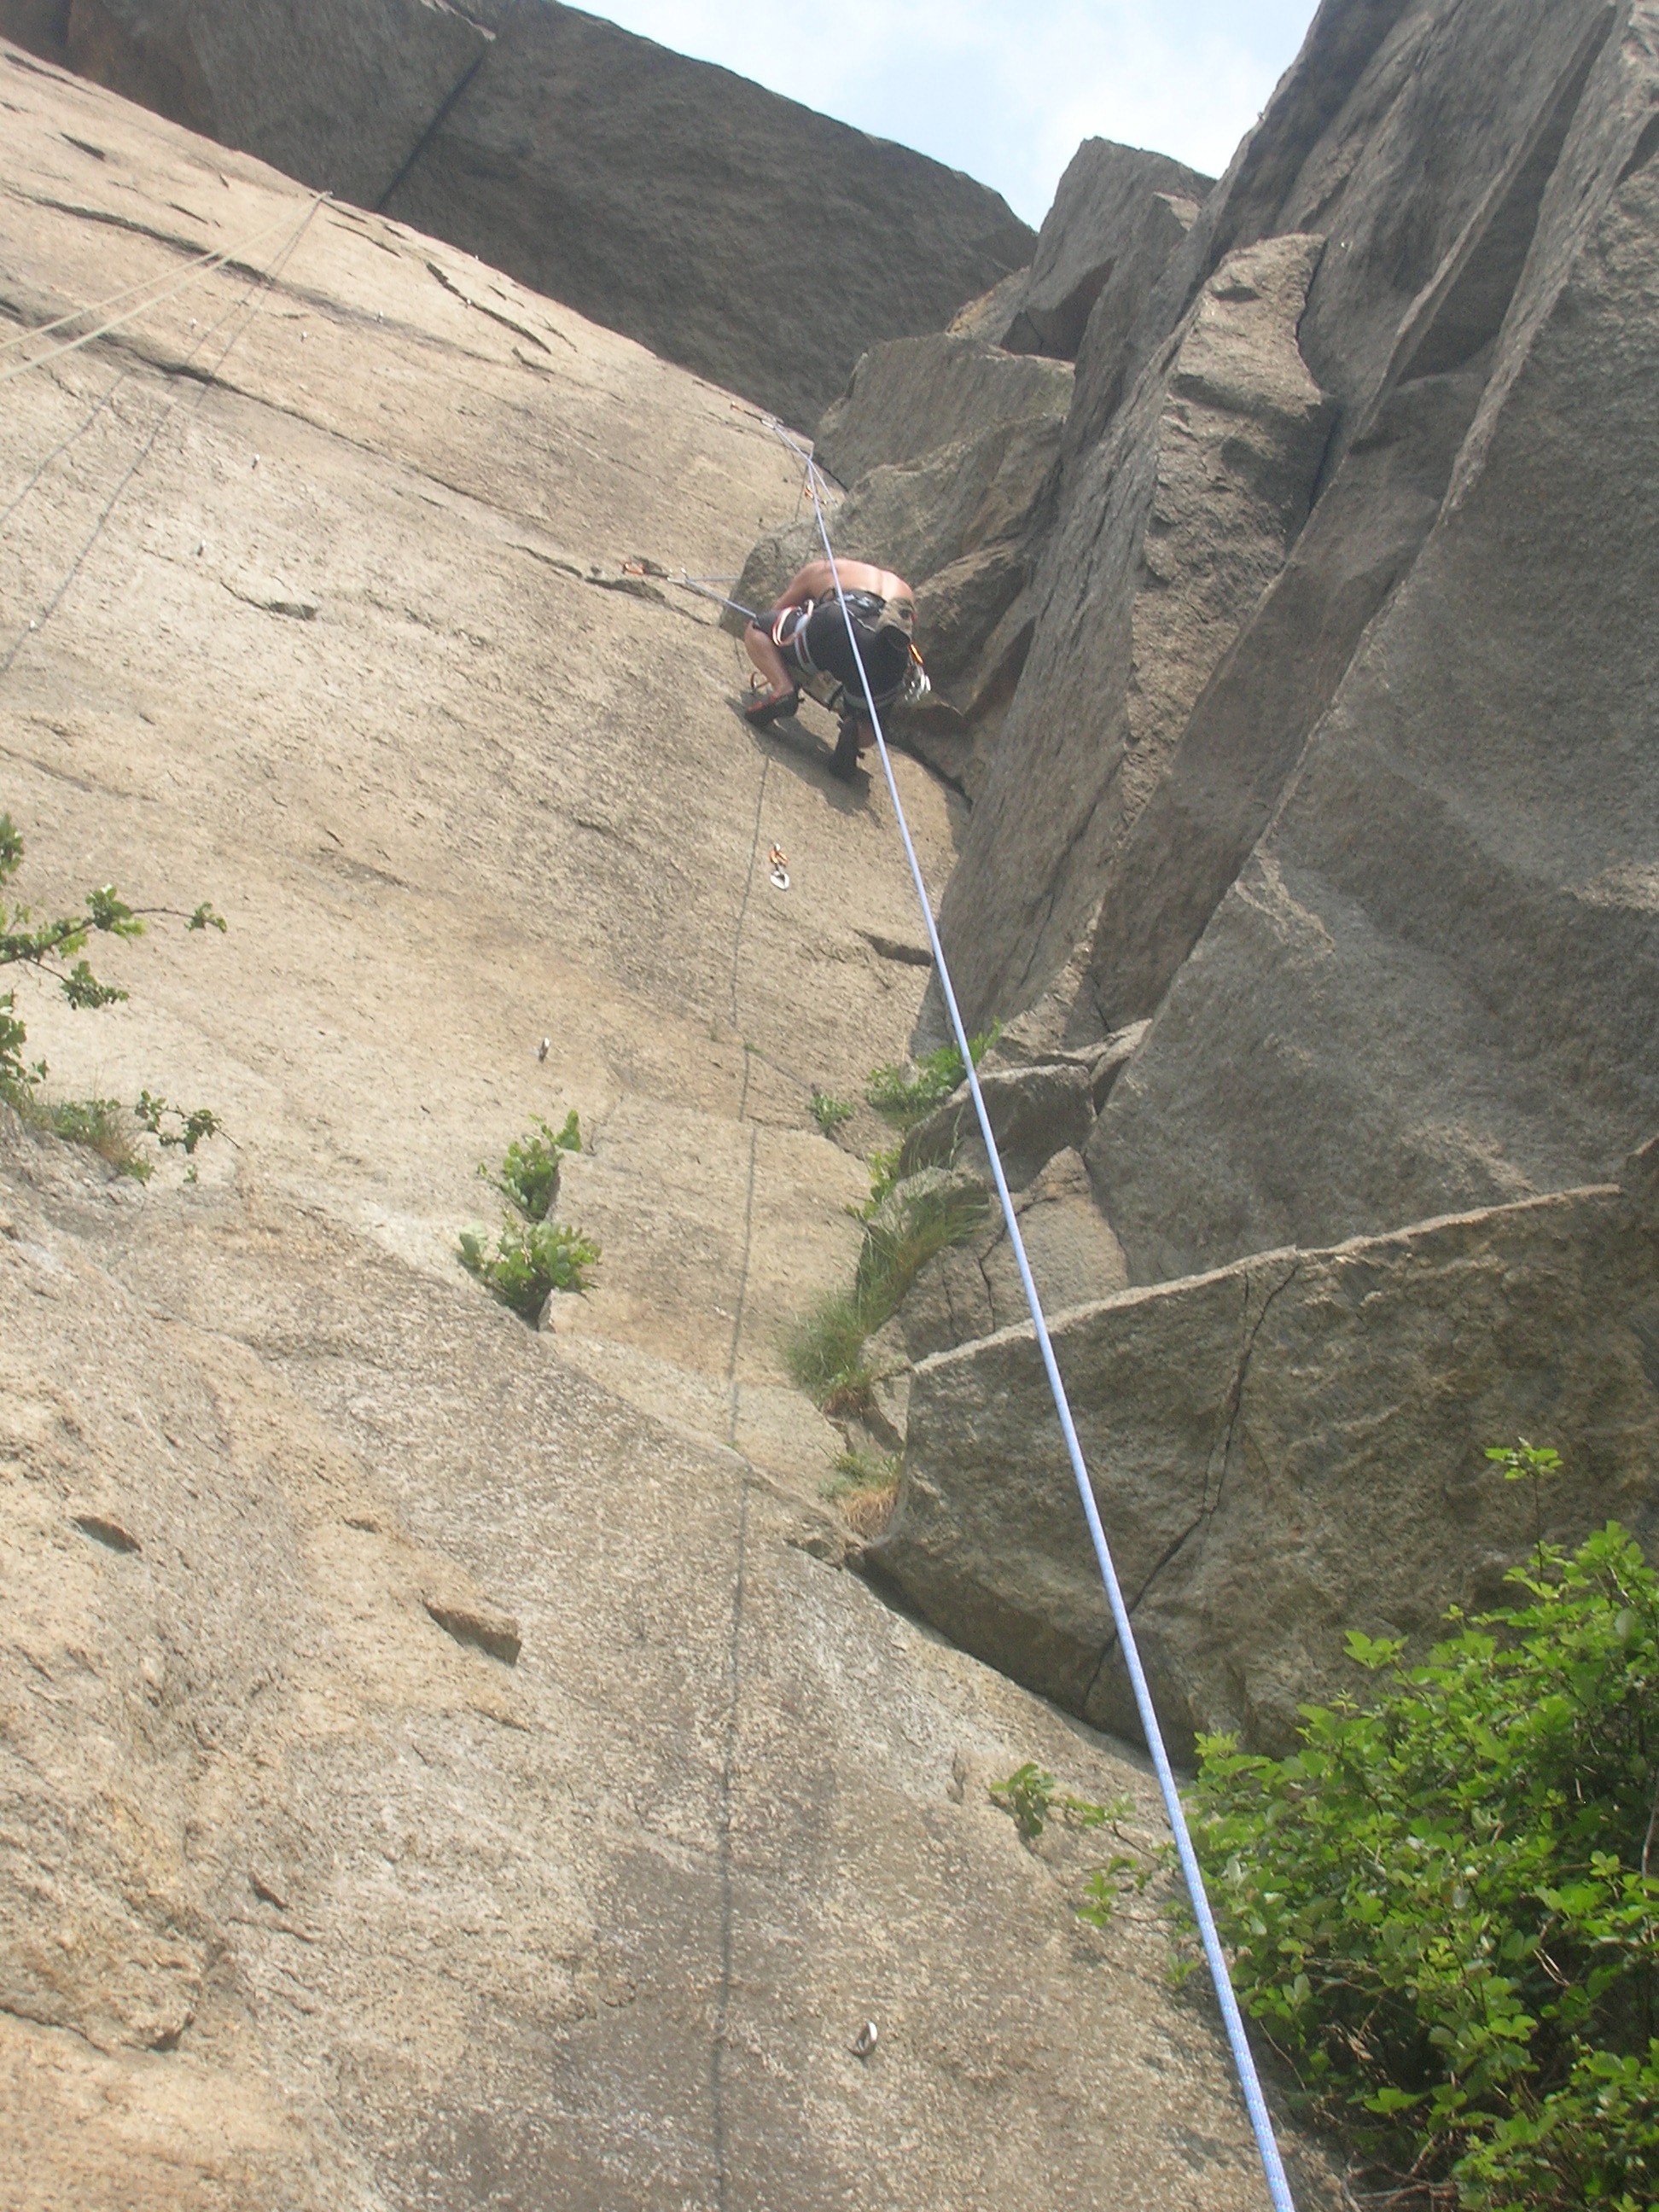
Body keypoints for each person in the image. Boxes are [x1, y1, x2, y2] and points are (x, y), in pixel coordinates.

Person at [742, 558, 917, 778]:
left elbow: (777, 615)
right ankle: (856, 729)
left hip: (840, 617)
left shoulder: (824, 568)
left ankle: (783, 688)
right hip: (887, 643)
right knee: (871, 719)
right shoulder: (905, 590)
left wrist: (786, 664)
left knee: (758, 628)